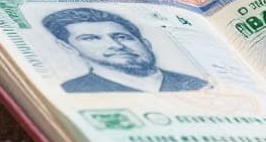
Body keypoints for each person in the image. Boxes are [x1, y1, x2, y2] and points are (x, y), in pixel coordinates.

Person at [42, 8, 210, 93]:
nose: (116, 45)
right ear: (69, 48)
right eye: (91, 38)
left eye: (122, 37)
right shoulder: (71, 90)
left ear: (145, 43)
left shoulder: (198, 85)